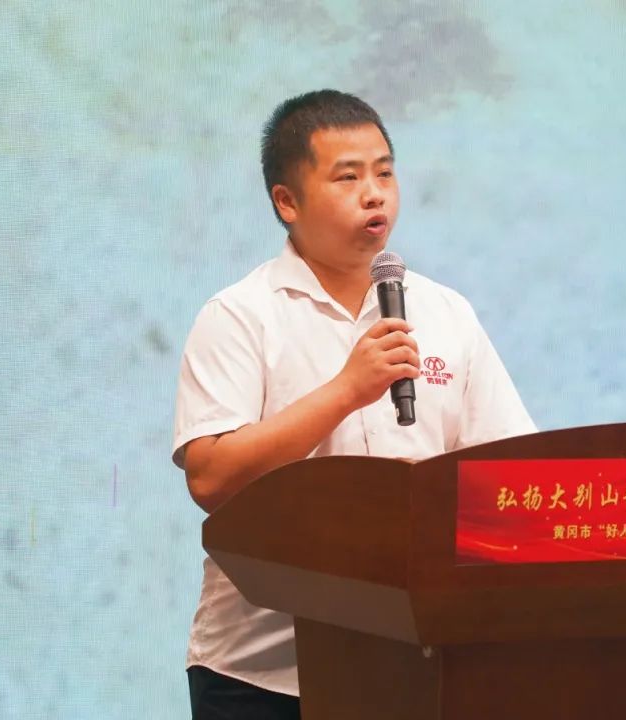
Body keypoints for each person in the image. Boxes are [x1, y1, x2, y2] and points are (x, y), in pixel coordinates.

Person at [171, 89, 535, 720]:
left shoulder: (445, 312)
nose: (375, 195)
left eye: (384, 174)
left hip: (417, 662)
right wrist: (346, 391)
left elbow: (508, 473)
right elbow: (210, 477)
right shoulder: (240, 316)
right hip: (265, 675)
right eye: (348, 178)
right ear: (287, 201)